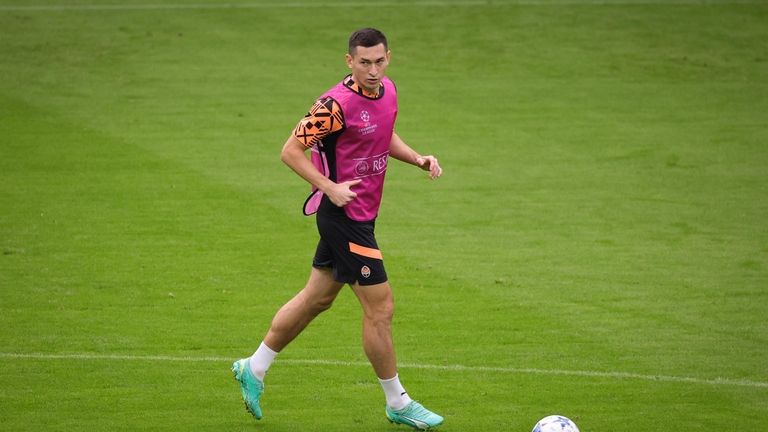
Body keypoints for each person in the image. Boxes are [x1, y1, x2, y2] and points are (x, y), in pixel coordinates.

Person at [232, 28, 444, 430]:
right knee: (380, 308)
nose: (373, 70)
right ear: (349, 61)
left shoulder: (388, 91)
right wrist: (329, 187)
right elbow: (290, 151)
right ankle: (397, 401)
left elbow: (382, 135)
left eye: (379, 61)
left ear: (389, 58)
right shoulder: (335, 105)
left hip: (363, 214)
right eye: (364, 62)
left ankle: (253, 367)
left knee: (317, 299)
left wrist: (416, 158)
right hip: (343, 218)